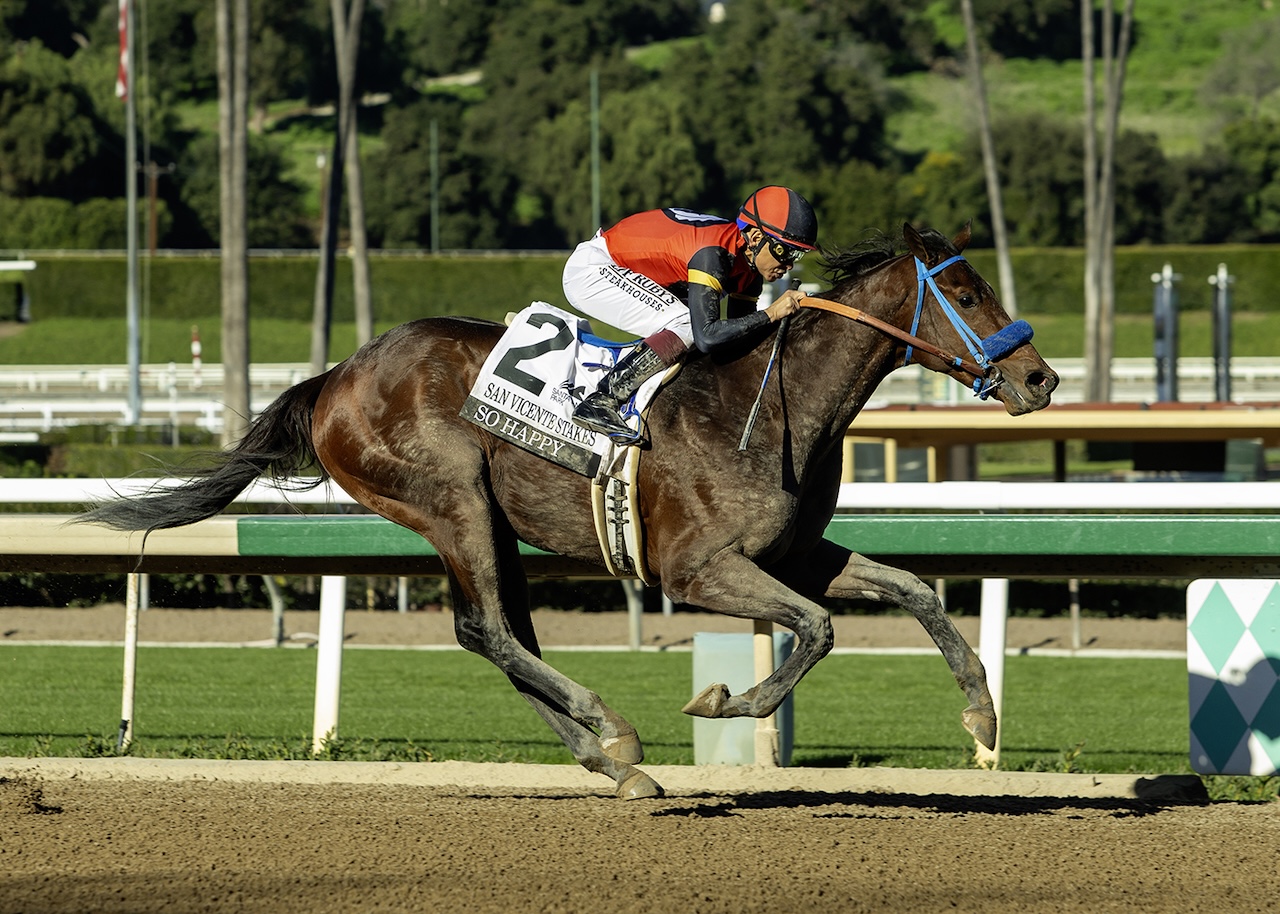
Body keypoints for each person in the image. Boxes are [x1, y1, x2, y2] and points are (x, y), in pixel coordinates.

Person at [562, 185, 817, 438]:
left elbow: (739, 340)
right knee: (688, 323)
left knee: (697, 330)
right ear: (756, 238)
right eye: (785, 251)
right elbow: (707, 336)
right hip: (593, 269)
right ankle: (602, 399)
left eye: (798, 255)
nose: (789, 264)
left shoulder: (748, 271)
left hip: (619, 265)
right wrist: (771, 313)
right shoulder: (713, 254)